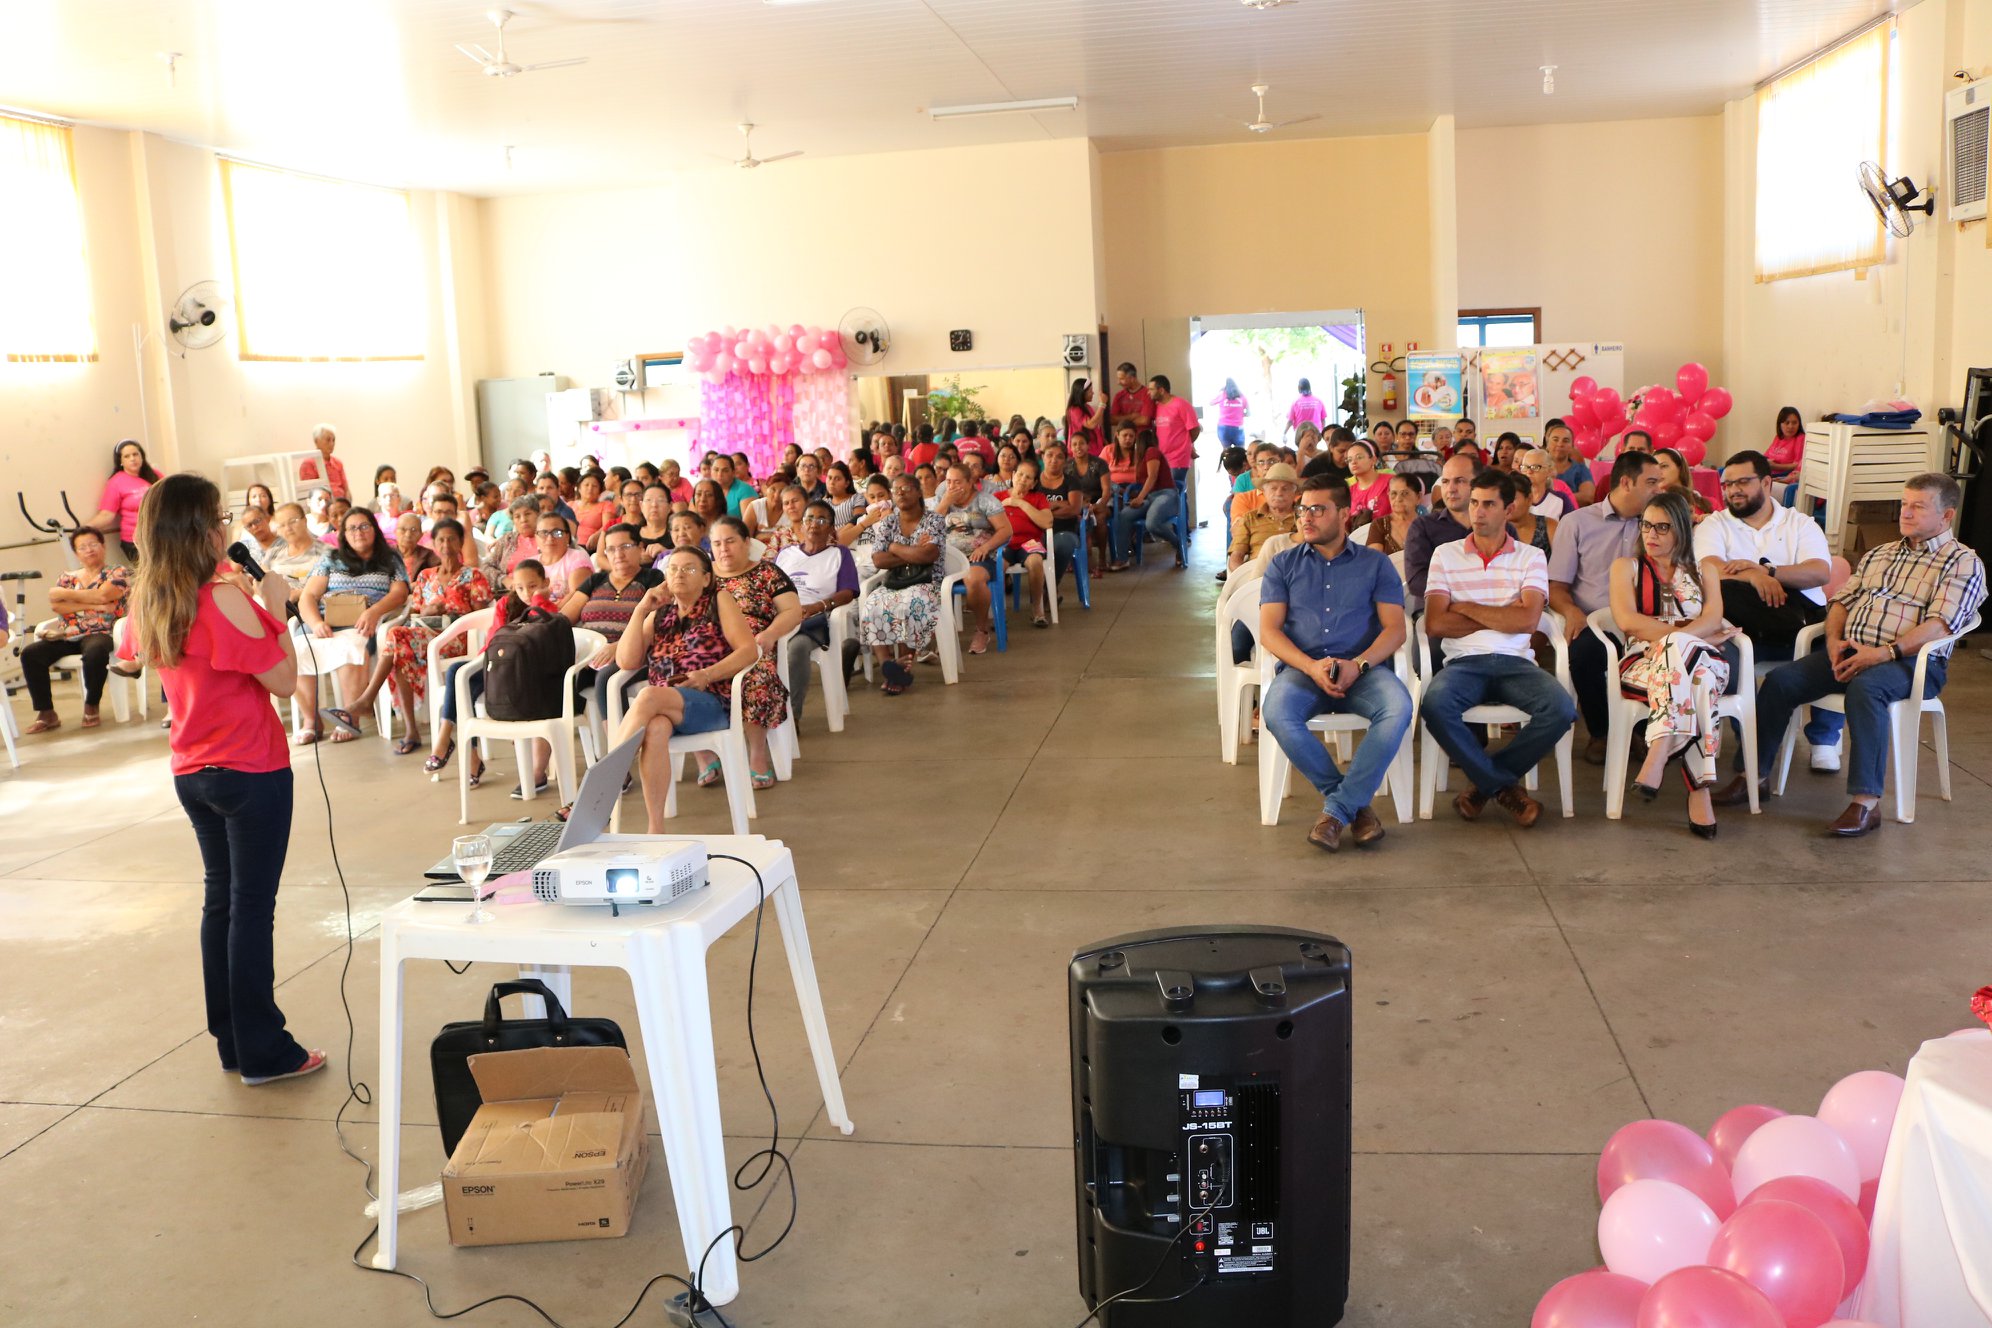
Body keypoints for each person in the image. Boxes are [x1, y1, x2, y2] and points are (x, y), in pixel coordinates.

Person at [118, 472, 323, 1085]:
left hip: (192, 770)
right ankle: (266, 1050)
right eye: (220, 519)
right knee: (252, 910)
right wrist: (276, 607)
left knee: (222, 905)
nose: (226, 529)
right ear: (203, 530)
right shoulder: (222, 597)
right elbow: (284, 682)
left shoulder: (150, 598)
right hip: (249, 769)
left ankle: (233, 1042)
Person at [1717, 474, 1986, 837]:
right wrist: (1831, 640)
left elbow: (1939, 626)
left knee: (1867, 690)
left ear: (1947, 515)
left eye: (1918, 506)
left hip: (1911, 663)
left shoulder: (1962, 563)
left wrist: (1881, 654)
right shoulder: (1881, 553)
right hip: (1850, 651)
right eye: (1904, 504)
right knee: (1780, 681)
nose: (1906, 513)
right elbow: (1841, 602)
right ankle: (1754, 775)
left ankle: (1866, 803)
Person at [1257, 476, 1413, 852]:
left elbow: (1395, 630)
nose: (1305, 518)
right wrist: (1311, 667)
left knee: (1398, 708)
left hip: (1363, 670)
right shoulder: (1283, 564)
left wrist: (1357, 664)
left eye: (1317, 509)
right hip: (1303, 671)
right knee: (1276, 713)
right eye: (1302, 509)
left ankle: (1336, 811)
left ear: (1344, 514)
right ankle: (1352, 807)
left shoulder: (1375, 565)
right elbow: (1269, 632)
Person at [1420, 469, 1574, 828]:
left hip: (1516, 662)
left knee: (1560, 709)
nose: (1478, 512)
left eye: (1489, 504)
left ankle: (1483, 785)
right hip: (1463, 662)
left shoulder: (1531, 556)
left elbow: (1526, 622)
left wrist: (1466, 607)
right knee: (1435, 705)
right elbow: (1435, 624)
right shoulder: (1445, 555)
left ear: (1509, 509)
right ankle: (1503, 788)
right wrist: (1503, 615)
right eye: (1474, 503)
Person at [609, 548, 764, 834]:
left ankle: (608, 778)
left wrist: (708, 674)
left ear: (706, 578)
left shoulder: (718, 600)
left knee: (648, 695)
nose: (678, 574)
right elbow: (626, 661)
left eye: (689, 569)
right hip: (665, 707)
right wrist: (642, 608)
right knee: (654, 728)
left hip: (712, 702)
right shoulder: (660, 612)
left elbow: (749, 651)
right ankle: (656, 829)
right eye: (673, 568)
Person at [1611, 488, 1735, 838]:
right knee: (1700, 685)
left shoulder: (1705, 569)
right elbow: (1628, 622)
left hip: (1702, 660)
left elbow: (1714, 617)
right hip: (1644, 664)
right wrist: (1682, 640)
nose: (1651, 535)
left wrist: (1673, 643)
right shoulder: (1626, 567)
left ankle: (1661, 746)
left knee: (1693, 667)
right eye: (1646, 526)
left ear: (1682, 528)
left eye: (1662, 528)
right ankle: (1700, 793)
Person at [1693, 454, 1835, 760]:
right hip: (1744, 630)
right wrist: (1752, 576)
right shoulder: (1715, 524)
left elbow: (1820, 572)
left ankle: (1825, 738)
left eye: (1742, 482)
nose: (1733, 491)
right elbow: (1710, 566)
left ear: (1767, 482)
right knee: (1718, 655)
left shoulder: (1800, 523)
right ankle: (1750, 744)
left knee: (1839, 646)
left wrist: (1770, 573)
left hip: (1802, 624)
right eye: (1727, 484)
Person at [1549, 450, 1666, 763]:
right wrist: (1573, 613)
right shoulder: (1576, 523)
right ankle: (1601, 732)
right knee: (1584, 653)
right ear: (1626, 482)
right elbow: (1556, 586)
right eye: (1651, 482)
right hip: (1596, 622)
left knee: (1669, 653)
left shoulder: (1660, 525)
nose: (1659, 489)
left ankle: (1641, 730)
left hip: (1647, 622)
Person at [348, 518, 492, 756]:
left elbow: (480, 615)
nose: (446, 544)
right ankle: (406, 727)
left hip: (456, 639)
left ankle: (373, 702)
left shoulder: (473, 575)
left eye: (451, 539)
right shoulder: (425, 576)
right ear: (434, 543)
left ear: (460, 543)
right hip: (423, 635)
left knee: (396, 642)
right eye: (440, 540)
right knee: (398, 648)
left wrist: (450, 610)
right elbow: (415, 611)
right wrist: (427, 611)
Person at [295, 507, 409, 744]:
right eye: (352, 528)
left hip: (363, 623)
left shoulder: (390, 558)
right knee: (294, 650)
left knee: (352, 646)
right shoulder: (331, 558)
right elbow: (307, 596)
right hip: (326, 621)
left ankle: (349, 717)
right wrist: (316, 623)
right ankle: (311, 720)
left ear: (375, 530)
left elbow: (400, 592)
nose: (358, 532)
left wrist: (374, 611)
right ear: (343, 533)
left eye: (364, 526)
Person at [705, 517, 799, 791]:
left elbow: (792, 611)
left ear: (746, 543)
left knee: (755, 679)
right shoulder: (702, 575)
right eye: (717, 543)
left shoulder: (767, 573)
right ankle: (706, 755)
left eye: (730, 541)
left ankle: (757, 753)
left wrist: (769, 634)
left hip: (753, 644)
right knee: (680, 674)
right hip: (709, 645)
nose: (723, 549)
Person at [554, 521, 663, 732]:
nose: (618, 554)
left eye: (625, 547)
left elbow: (656, 621)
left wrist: (618, 647)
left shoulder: (653, 578)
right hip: (590, 658)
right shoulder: (596, 580)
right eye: (611, 549)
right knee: (553, 672)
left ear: (640, 548)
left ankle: (618, 748)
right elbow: (564, 618)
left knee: (607, 677)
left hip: (636, 653)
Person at [20, 527, 132, 734]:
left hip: (103, 632)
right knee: (31, 654)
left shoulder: (117, 572)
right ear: (76, 552)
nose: (88, 550)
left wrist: (67, 595)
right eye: (82, 547)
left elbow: (103, 595)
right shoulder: (67, 577)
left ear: (103, 546)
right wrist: (97, 605)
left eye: (93, 544)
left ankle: (91, 704)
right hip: (68, 634)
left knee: (96, 650)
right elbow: (57, 606)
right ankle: (46, 713)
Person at [773, 501, 860, 725]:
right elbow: (769, 588)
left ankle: (791, 719)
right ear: (801, 525)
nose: (814, 524)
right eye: (809, 519)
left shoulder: (839, 554)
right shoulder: (786, 554)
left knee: (797, 649)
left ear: (832, 528)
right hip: (779, 617)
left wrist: (818, 606)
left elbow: (848, 592)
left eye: (822, 520)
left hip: (812, 621)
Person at [859, 474, 946, 695]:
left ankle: (903, 665)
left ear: (918, 492)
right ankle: (889, 665)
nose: (900, 493)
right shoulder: (888, 521)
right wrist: (913, 551)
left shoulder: (933, 520)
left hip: (927, 582)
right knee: (871, 605)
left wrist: (895, 548)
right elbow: (878, 559)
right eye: (896, 490)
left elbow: (930, 555)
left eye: (906, 488)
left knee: (909, 606)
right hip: (894, 582)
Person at [933, 462, 1012, 655]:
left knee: (973, 579)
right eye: (949, 482)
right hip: (948, 558)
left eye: (957, 482)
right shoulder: (943, 502)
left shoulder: (986, 501)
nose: (951, 486)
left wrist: (985, 546)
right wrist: (944, 503)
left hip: (981, 556)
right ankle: (939, 635)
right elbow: (929, 529)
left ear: (970, 483)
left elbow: (1006, 530)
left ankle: (981, 630)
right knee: (926, 581)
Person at [1403, 454, 1478, 601]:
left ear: (1478, 485)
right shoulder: (1423, 527)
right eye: (1445, 481)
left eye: (1460, 481)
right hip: (1440, 612)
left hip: (1493, 613)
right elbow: (1417, 582)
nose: (1451, 489)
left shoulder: (1500, 527)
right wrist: (1471, 589)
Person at [1109, 428, 1181, 571]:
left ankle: (1179, 545)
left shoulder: (1151, 451)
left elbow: (1152, 477)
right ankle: (1122, 559)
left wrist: (1140, 497)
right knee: (1124, 516)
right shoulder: (1141, 459)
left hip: (1165, 495)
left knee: (1152, 523)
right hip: (1150, 497)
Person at [998, 457, 1054, 627]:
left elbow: (1047, 522)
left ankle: (1038, 610)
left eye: (1028, 477)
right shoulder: (997, 497)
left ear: (1034, 482)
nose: (1023, 480)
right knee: (997, 564)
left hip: (1029, 543)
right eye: (1020, 474)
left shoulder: (1038, 498)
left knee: (1036, 561)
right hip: (1004, 543)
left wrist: (1019, 503)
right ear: (1013, 475)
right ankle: (998, 612)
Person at [89, 440, 160, 562]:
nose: (133, 459)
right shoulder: (116, 482)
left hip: (161, 536)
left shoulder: (155, 475)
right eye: (127, 456)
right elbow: (106, 515)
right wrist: (85, 529)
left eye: (135, 454)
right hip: (135, 541)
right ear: (120, 461)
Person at [1148, 374, 1201, 503]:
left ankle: (1182, 522)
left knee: (1173, 493)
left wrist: (1186, 445)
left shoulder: (1181, 405)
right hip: (1162, 458)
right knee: (1165, 495)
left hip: (1177, 459)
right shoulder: (1157, 407)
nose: (1148, 393)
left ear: (1161, 390)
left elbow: (1194, 429)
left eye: (1151, 389)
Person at [529, 515, 595, 603]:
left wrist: (552, 612)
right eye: (544, 533)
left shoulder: (577, 557)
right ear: (536, 537)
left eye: (557, 533)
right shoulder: (529, 564)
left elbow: (577, 596)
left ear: (567, 537)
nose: (550, 538)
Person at [480, 496, 542, 586]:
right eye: (517, 516)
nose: (523, 520)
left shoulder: (547, 537)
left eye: (527, 514)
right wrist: (504, 580)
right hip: (510, 593)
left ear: (538, 515)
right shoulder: (508, 540)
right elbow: (486, 566)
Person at [267, 503, 323, 591]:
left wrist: (299, 594)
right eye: (282, 525)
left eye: (292, 521)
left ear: (305, 520)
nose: (288, 528)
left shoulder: (325, 552)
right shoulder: (274, 552)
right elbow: (262, 579)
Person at [1365, 473, 1422, 557]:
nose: (1398, 499)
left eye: (1405, 493)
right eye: (1394, 493)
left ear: (1418, 497)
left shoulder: (1427, 525)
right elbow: (1373, 560)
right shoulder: (1380, 524)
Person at [1544, 419, 1594, 506]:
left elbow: (1588, 497)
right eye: (1555, 440)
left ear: (1572, 446)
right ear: (1547, 444)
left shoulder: (1580, 470)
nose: (1560, 444)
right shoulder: (1536, 467)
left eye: (1565, 441)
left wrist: (1552, 499)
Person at [1343, 440, 1390, 530]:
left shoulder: (1390, 481)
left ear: (1373, 460)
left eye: (1359, 457)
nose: (1353, 462)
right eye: (1349, 460)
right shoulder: (1349, 491)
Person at [1518, 448, 1575, 521]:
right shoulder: (1514, 499)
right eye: (1525, 467)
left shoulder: (1561, 500)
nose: (1529, 471)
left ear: (1549, 471)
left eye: (1535, 467)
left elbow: (1570, 529)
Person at [1656, 448, 1714, 519]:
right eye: (1655, 468)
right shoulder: (1652, 506)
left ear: (1680, 468)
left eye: (1664, 466)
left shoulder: (1710, 503)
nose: (1658, 472)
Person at [1767, 406, 1807, 506]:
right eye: (1787, 422)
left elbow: (1797, 465)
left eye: (1794, 423)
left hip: (1784, 479)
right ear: (1780, 424)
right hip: (1770, 475)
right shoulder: (1778, 437)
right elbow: (1767, 456)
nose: (1790, 426)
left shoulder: (1800, 438)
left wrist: (1775, 466)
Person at [297, 424, 347, 501]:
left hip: (341, 503)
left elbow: (346, 489)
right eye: (328, 440)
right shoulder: (309, 464)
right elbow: (310, 493)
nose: (332, 443)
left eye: (333, 440)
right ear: (316, 441)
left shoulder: (338, 462)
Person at [1508, 477, 1556, 556]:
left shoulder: (1549, 526)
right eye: (1503, 498)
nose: (1507, 504)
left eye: (1513, 498)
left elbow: (1562, 562)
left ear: (1529, 499)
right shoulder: (1495, 528)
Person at [574, 471, 619, 550]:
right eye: (586, 485)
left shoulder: (606, 505)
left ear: (600, 491)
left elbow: (608, 526)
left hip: (591, 547)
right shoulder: (570, 505)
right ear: (579, 488)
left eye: (594, 486)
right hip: (569, 545)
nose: (590, 488)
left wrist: (597, 535)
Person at [632, 484, 675, 564]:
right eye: (648, 500)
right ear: (641, 506)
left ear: (670, 506)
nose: (654, 505)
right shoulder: (631, 533)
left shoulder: (677, 533)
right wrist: (635, 559)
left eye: (660, 500)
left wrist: (667, 554)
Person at [394, 511, 439, 582]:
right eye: (403, 529)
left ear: (421, 535)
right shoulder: (385, 554)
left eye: (413, 530)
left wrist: (417, 585)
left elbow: (439, 575)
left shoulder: (428, 555)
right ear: (395, 532)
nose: (408, 534)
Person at [1065, 379, 1104, 459]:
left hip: (1095, 450)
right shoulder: (1074, 409)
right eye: (1090, 391)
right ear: (1082, 393)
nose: (1093, 393)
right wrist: (1102, 404)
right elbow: (1091, 424)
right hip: (1083, 452)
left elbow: (1096, 426)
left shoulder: (1088, 407)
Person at [1109, 362, 1151, 434]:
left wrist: (1122, 422)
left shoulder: (1148, 394)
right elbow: (1112, 420)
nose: (1118, 382)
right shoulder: (1119, 395)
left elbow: (1144, 420)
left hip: (1142, 439)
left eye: (1121, 379)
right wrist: (1132, 416)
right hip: (1123, 440)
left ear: (1132, 378)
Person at [1286, 378, 1330, 444]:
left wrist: (1284, 433)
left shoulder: (1295, 402)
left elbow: (1290, 421)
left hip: (1301, 434)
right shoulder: (1318, 401)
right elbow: (1323, 420)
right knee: (1314, 452)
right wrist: (1322, 432)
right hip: (1315, 434)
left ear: (1299, 388)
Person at [1208, 379, 1249, 448]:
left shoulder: (1222, 395)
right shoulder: (1242, 397)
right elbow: (1248, 413)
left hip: (1223, 428)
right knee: (1241, 452)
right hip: (1238, 428)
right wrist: (1239, 414)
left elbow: (1211, 403)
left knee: (1227, 452)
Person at [823, 461, 859, 527]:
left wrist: (838, 536)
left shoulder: (856, 498)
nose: (832, 482)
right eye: (829, 478)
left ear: (847, 483)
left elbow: (858, 522)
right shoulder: (823, 503)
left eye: (837, 479)